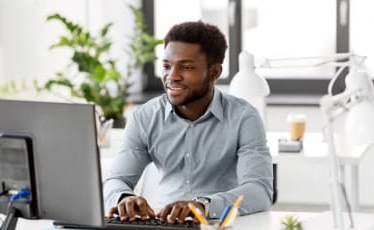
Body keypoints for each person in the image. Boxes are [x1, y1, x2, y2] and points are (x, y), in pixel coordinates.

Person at [103, 21, 273, 224]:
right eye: (167, 66)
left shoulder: (244, 117)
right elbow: (115, 180)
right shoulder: (145, 117)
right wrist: (124, 198)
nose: (172, 76)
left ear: (214, 72)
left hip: (221, 224)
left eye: (186, 67)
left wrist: (202, 205)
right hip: (163, 225)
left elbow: (259, 191)